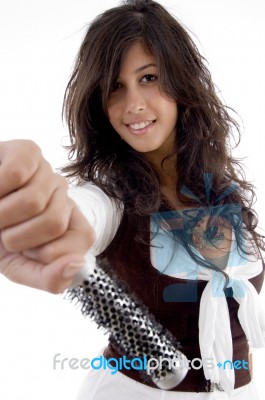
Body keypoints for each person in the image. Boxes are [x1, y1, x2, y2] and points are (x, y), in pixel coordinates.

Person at [0, 0, 264, 398]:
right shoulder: (107, 195)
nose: (133, 104)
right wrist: (44, 209)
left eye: (149, 77)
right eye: (114, 88)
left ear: (181, 81)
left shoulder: (219, 189)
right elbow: (78, 214)